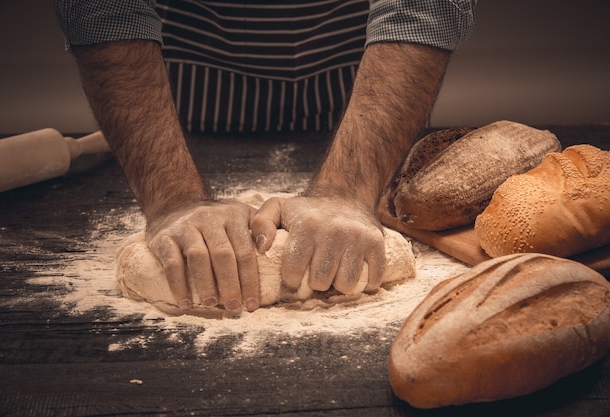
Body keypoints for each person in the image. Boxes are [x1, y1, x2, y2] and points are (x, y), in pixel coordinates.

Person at [54, 0, 476, 313]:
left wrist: (348, 191)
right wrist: (172, 198)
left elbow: (422, 8)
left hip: (361, 87)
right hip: (175, 92)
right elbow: (106, 8)